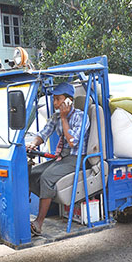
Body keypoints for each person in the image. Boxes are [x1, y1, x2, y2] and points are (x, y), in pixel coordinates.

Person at [26, 82, 90, 236]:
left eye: (58, 99)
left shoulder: (81, 117)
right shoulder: (55, 117)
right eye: (54, 99)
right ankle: (47, 197)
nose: (55, 103)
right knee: (31, 174)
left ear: (68, 101)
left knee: (47, 178)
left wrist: (64, 118)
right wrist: (33, 144)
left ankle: (39, 223)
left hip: (77, 158)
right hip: (63, 157)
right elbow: (43, 133)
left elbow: (72, 141)